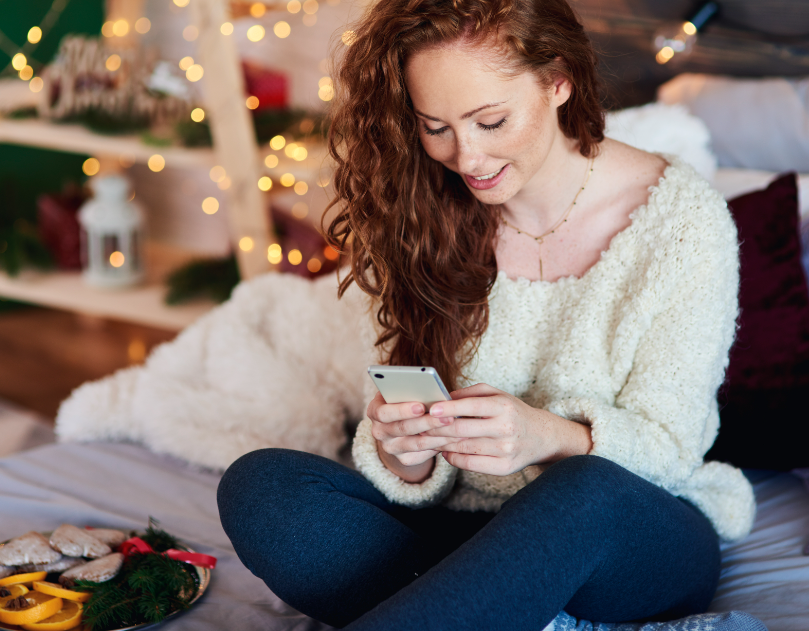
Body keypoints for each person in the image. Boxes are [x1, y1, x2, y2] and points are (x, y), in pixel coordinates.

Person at [217, 1, 764, 629]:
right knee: (263, 487)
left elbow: (670, 448)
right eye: (436, 126)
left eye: (491, 121)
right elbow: (423, 454)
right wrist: (405, 452)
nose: (467, 158)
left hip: (625, 538)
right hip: (466, 534)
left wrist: (547, 438)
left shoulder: (684, 223)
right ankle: (495, 607)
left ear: (558, 81)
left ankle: (474, 603)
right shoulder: (427, 213)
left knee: (582, 490)